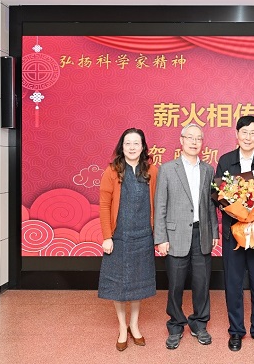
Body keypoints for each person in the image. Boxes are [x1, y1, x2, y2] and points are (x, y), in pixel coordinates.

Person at [215, 115, 254, 352]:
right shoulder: (225, 161)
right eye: (244, 132)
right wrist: (241, 214)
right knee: (233, 285)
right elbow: (219, 196)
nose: (248, 137)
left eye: (253, 133)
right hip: (233, 235)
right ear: (237, 134)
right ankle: (236, 331)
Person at [154, 123, 219, 350]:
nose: (194, 142)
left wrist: (214, 231)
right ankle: (175, 325)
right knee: (175, 285)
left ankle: (199, 324)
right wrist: (161, 238)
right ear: (181, 140)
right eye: (190, 137)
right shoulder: (167, 169)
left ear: (202, 143)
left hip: (202, 234)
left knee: (202, 283)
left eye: (198, 138)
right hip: (175, 235)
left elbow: (211, 205)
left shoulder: (208, 170)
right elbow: (160, 205)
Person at [98, 128, 158, 352]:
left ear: (143, 147)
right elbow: (104, 205)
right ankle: (122, 327)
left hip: (143, 236)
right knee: (119, 285)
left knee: (137, 284)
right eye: (127, 143)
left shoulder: (152, 171)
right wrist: (107, 236)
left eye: (136, 143)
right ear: (121, 147)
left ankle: (134, 324)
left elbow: (158, 202)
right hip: (119, 236)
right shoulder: (112, 171)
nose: (132, 147)